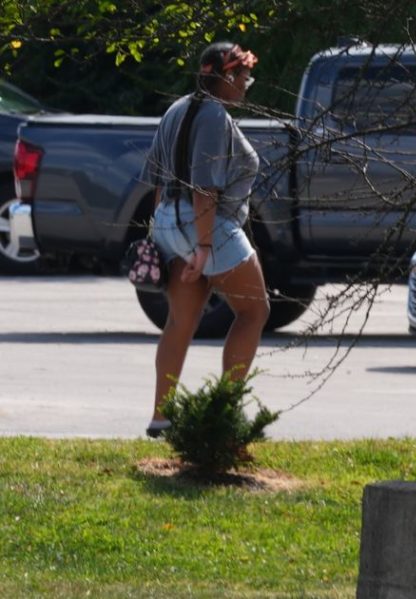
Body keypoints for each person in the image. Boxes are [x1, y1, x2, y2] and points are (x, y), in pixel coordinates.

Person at [142, 42, 268, 438]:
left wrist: (167, 238)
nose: (248, 84)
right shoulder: (213, 116)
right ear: (226, 77)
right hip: (206, 225)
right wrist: (204, 246)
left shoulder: (176, 109)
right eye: (244, 76)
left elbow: (160, 183)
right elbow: (204, 187)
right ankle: (224, 416)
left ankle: (161, 418)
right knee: (255, 311)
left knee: (181, 319)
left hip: (169, 220)